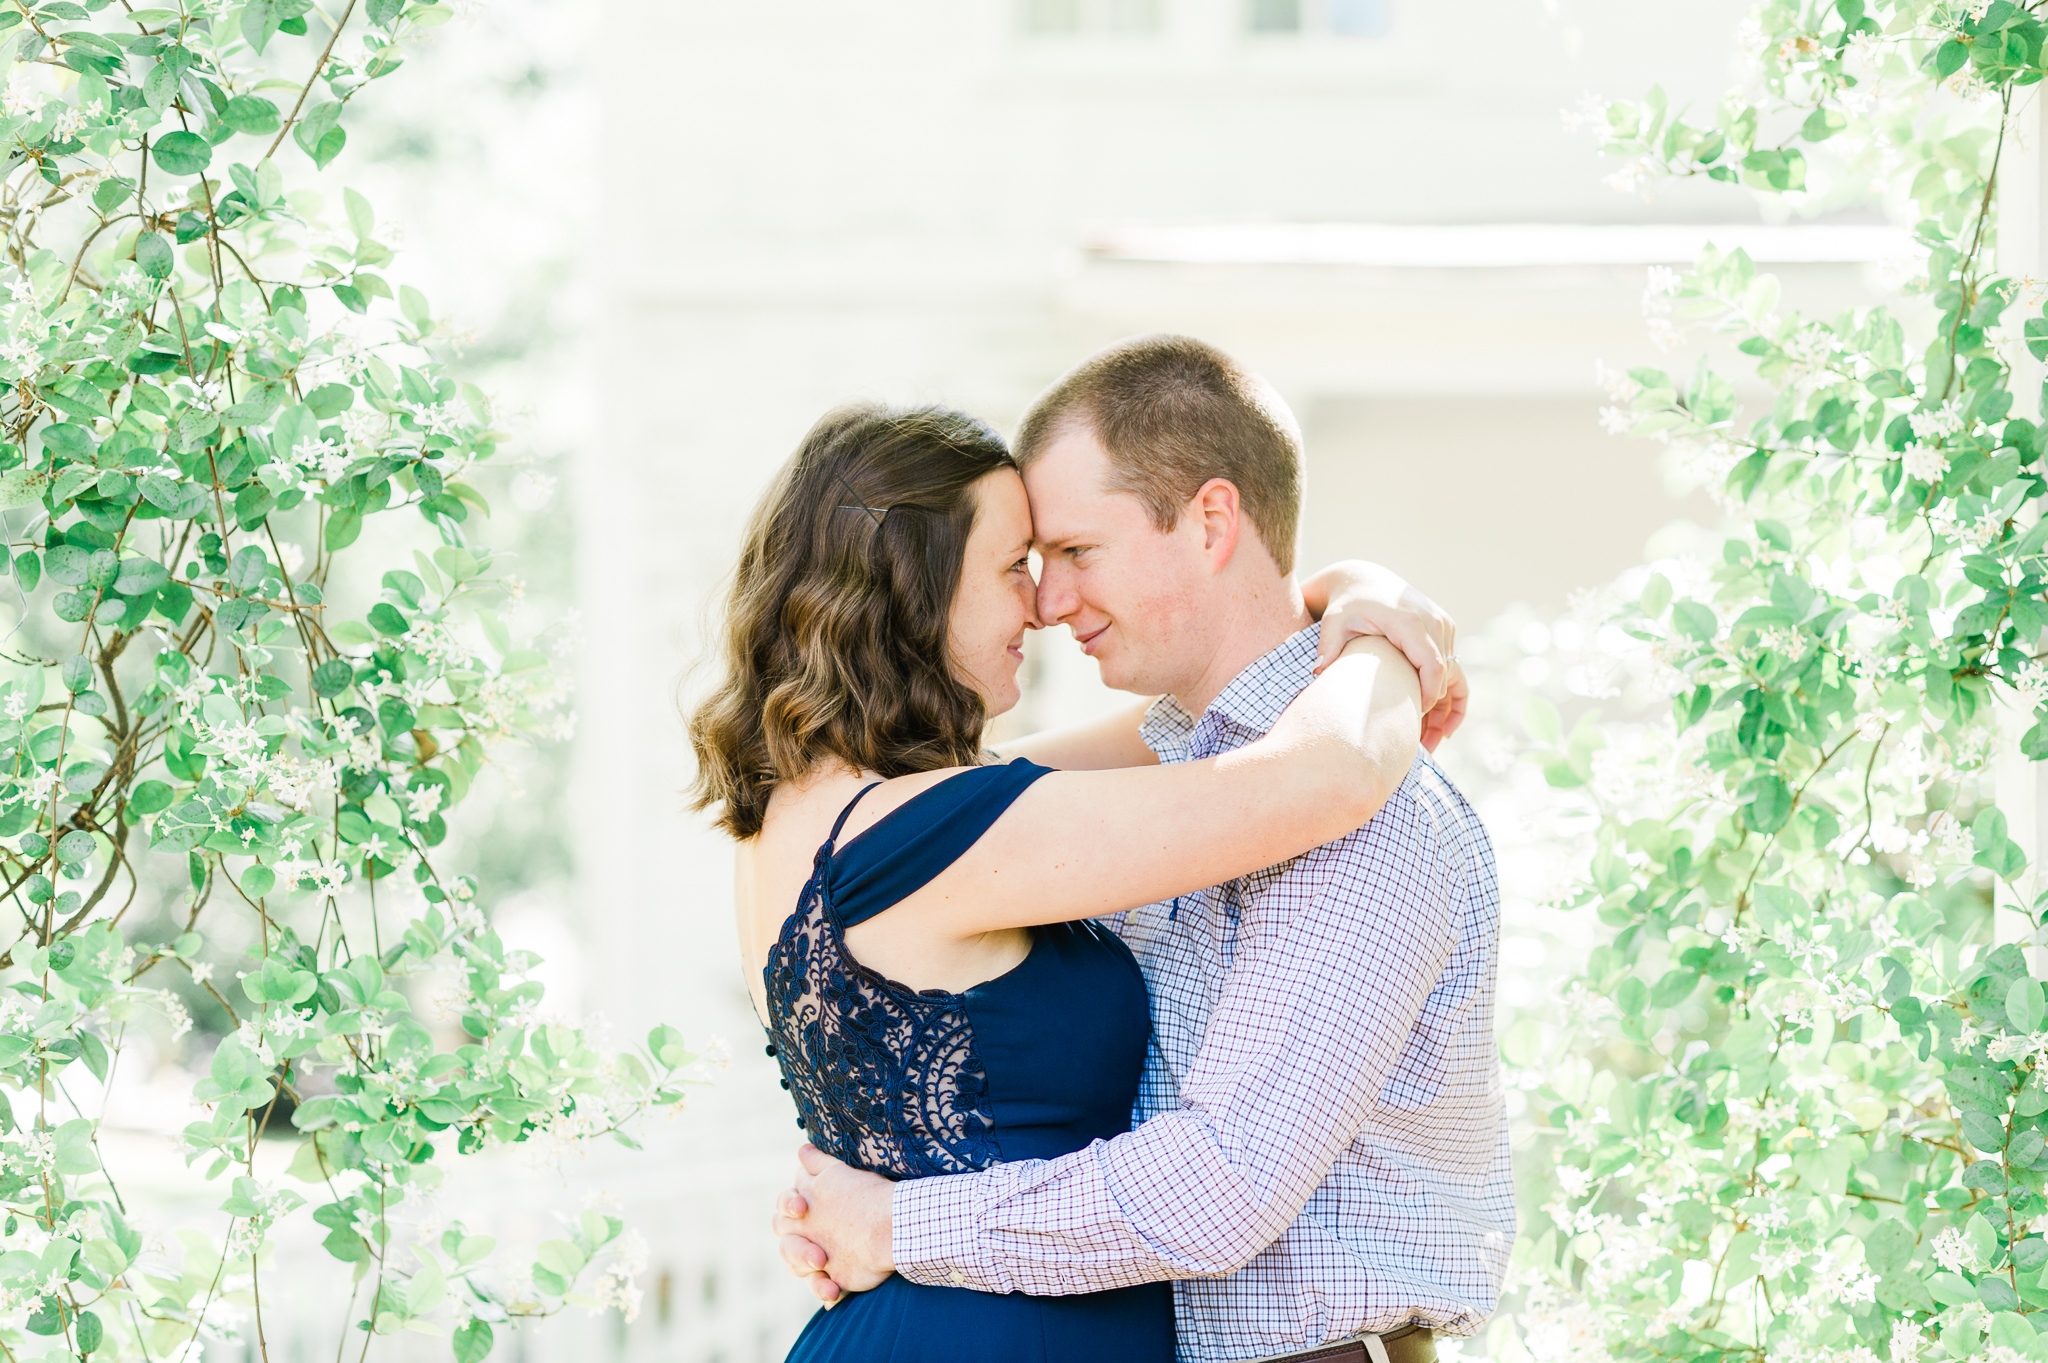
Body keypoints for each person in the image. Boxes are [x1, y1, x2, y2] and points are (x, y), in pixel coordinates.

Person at [769, 335, 1513, 1363]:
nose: (1049, 601)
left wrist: (897, 1226)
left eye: (1076, 552)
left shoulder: (1362, 816)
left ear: (1211, 520)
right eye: (1029, 566)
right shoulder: (1163, 790)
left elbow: (1224, 1184)